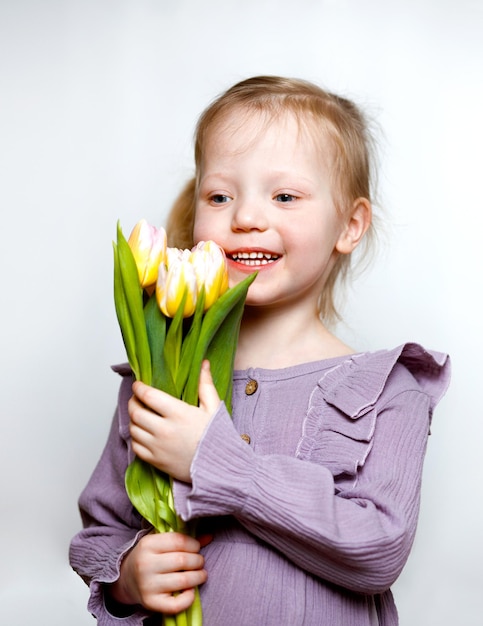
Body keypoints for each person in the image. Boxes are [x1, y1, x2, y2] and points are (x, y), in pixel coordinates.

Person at [69, 76, 450, 625]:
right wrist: (126, 577)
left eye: (285, 196)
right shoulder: (157, 380)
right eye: (220, 195)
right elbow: (98, 533)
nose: (245, 217)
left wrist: (218, 464)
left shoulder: (390, 390)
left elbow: (379, 550)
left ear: (350, 224)